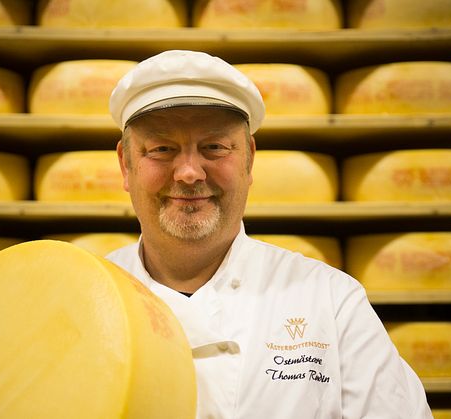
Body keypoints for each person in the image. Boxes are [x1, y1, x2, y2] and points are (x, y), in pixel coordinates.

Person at [106, 49, 432, 418]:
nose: (189, 173)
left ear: (249, 158)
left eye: (214, 147)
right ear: (126, 165)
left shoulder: (330, 300)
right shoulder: (85, 297)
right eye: (162, 149)